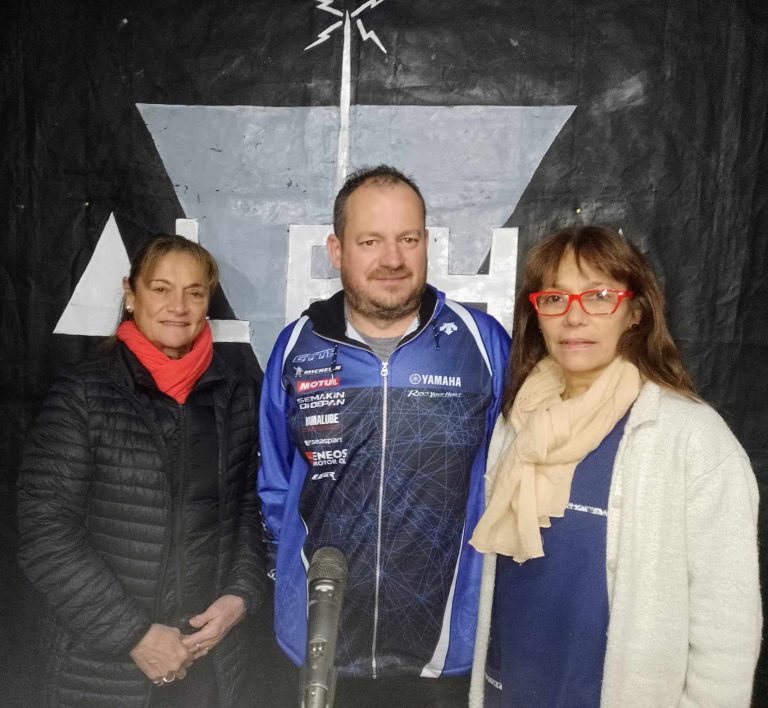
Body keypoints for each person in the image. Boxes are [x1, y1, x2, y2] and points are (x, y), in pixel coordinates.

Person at [468, 225, 761, 707]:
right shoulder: (518, 424)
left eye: (599, 296)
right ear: (536, 315)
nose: (574, 317)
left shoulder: (691, 438)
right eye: (554, 299)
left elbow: (727, 623)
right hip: (513, 690)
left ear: (635, 312)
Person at [258, 165, 510, 706]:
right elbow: (276, 485)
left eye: (408, 239)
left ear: (426, 243)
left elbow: (511, 483)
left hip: (445, 654)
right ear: (336, 250)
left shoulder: (482, 343)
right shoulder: (297, 346)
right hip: (320, 646)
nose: (392, 259)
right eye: (370, 241)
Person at [17, 234, 265, 708]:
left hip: (207, 662)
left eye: (194, 292)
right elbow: (44, 532)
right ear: (131, 295)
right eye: (161, 289)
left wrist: (239, 596)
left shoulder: (236, 396)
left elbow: (249, 513)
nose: (179, 307)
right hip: (102, 667)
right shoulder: (82, 395)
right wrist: (133, 635)